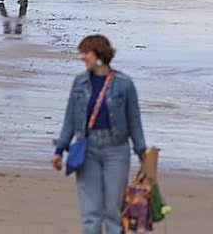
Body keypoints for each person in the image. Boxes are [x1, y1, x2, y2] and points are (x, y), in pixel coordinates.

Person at [52, 34, 147, 234]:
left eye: (86, 53)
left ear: (98, 55)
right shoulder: (79, 83)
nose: (82, 57)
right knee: (90, 213)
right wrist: (59, 150)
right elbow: (70, 118)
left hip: (116, 150)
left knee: (113, 211)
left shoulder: (124, 84)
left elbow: (134, 122)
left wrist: (143, 155)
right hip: (87, 149)